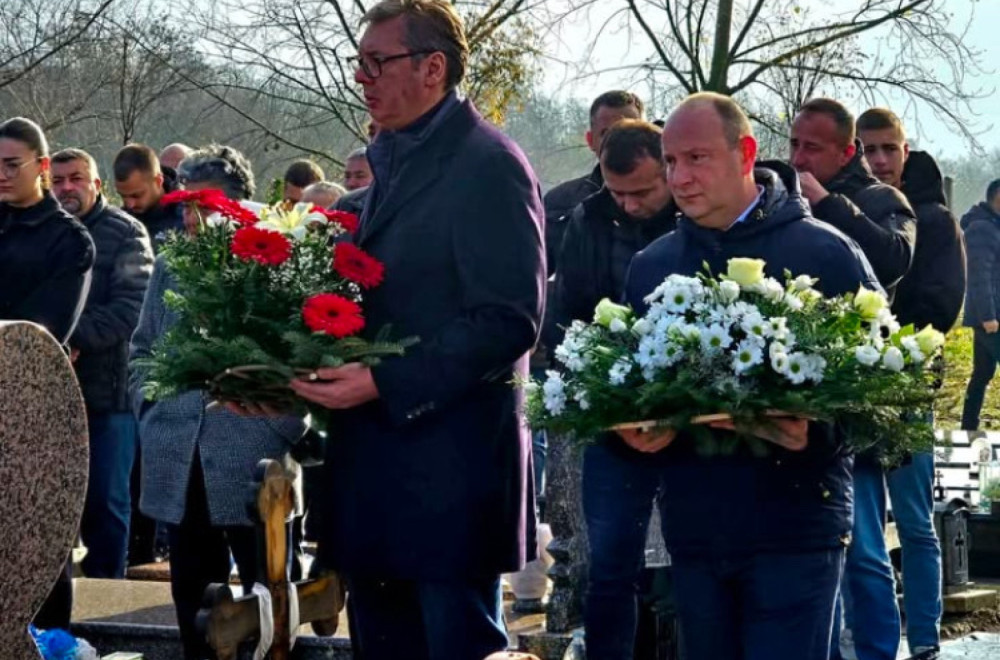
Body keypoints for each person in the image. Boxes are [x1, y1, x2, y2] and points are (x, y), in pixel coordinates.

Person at [270, 1, 544, 657]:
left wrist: (383, 381)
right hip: (375, 477)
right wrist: (277, 368)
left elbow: (509, 318)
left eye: (376, 62)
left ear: (433, 68)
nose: (361, 78)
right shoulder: (385, 167)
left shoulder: (489, 165)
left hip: (450, 479)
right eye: (356, 63)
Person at [623, 92, 880, 660]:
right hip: (696, 530)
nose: (680, 177)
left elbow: (887, 395)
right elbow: (623, 387)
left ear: (745, 153)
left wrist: (818, 431)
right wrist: (632, 434)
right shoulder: (652, 268)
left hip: (795, 529)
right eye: (670, 161)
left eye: (696, 158)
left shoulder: (827, 254)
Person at [128, 144, 306, 660]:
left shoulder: (279, 261)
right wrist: (151, 410)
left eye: (203, 206)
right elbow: (142, 348)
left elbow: (307, 356)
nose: (190, 217)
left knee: (271, 604)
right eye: (185, 205)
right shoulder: (170, 265)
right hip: (180, 460)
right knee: (194, 607)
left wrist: (279, 427)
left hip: (256, 459)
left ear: (238, 207)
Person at [789, 97, 918, 660]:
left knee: (864, 545)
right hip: (801, 395)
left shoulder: (880, 199)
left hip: (856, 396)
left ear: (846, 152)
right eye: (793, 144)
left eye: (810, 148)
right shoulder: (786, 201)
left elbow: (893, 260)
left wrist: (829, 205)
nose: (797, 158)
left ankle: (877, 650)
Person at [547, 119, 677, 655]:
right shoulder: (589, 216)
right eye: (617, 191)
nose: (627, 204)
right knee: (606, 562)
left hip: (684, 407)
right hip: (611, 406)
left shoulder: (693, 216)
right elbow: (569, 312)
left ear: (668, 170)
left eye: (642, 192)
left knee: (678, 564)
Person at [855, 108, 966, 660]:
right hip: (854, 386)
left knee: (917, 522)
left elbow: (944, 305)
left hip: (908, 384)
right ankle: (870, 639)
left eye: (887, 150)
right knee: (864, 527)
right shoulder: (850, 214)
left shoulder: (936, 220)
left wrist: (896, 345)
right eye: (868, 150)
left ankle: (924, 638)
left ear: (904, 151)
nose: (878, 161)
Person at [0, 117, 96, 630]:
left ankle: (50, 641)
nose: (1, 174)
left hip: (29, 398)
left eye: (11, 165)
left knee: (35, 539)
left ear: (41, 165)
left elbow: (46, 327)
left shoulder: (70, 241)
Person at [51, 148, 154, 580]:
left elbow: (132, 308)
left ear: (97, 184)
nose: (67, 188)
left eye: (76, 178)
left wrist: (68, 338)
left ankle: (106, 597)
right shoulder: (40, 231)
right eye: (58, 180)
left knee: (105, 505)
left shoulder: (126, 234)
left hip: (107, 396)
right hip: (48, 394)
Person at [543, 90, 644, 274]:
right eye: (607, 132)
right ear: (591, 140)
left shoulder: (667, 199)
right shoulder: (559, 201)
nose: (618, 141)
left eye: (629, 131)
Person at [961, 179, 1000, 431]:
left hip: (991, 316)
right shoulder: (982, 228)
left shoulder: (993, 226)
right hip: (991, 318)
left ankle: (968, 428)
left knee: (982, 374)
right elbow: (978, 274)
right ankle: (968, 428)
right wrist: (988, 316)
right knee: (981, 374)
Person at [113, 143, 184, 251]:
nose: (130, 204)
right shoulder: (117, 223)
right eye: (123, 196)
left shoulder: (187, 216)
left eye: (136, 196)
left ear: (158, 181)